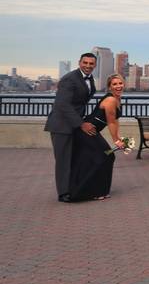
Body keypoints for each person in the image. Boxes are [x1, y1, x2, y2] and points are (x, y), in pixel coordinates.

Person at [44, 52, 98, 202]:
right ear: (79, 62)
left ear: (95, 65)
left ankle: (73, 188)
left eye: (91, 63)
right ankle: (63, 193)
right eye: (85, 63)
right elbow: (62, 104)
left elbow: (80, 102)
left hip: (74, 124)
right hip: (61, 125)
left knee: (74, 158)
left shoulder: (89, 78)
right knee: (63, 160)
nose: (87, 66)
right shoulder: (69, 79)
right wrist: (81, 124)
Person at [68, 74, 127, 201]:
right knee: (106, 156)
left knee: (104, 157)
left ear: (124, 84)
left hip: (93, 131)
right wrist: (116, 140)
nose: (118, 86)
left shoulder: (117, 99)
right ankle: (92, 192)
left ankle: (98, 191)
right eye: (114, 84)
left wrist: (119, 137)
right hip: (86, 132)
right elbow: (110, 122)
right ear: (109, 87)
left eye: (120, 83)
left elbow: (115, 121)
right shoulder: (111, 100)